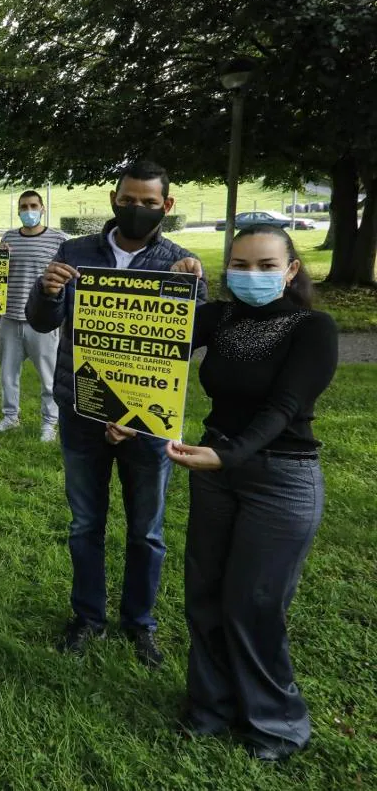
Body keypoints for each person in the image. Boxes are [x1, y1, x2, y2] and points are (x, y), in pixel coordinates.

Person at [167, 225, 336, 762]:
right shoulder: (219, 317)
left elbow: (284, 408)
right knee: (205, 595)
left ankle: (277, 725)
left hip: (281, 478)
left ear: (291, 270)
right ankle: (210, 707)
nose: (253, 275)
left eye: (267, 266)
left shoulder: (314, 328)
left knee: (255, 604)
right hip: (216, 471)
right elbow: (151, 347)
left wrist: (229, 455)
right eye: (241, 264)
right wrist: (128, 415)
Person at [27, 159, 206, 667]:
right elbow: (43, 324)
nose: (137, 209)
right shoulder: (74, 252)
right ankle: (87, 617)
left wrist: (192, 292)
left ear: (166, 207)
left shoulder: (181, 262)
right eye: (128, 199)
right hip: (83, 410)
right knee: (85, 523)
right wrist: (48, 290)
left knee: (146, 530)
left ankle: (140, 623)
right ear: (113, 199)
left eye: (149, 202)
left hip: (147, 421)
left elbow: (187, 345)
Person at [0, 191, 71, 442]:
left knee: (48, 378)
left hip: (42, 320)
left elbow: (69, 277)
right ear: (18, 210)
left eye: (33, 205)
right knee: (7, 374)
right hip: (9, 317)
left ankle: (49, 423)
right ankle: (10, 417)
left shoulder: (60, 239)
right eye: (24, 206)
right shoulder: (9, 237)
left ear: (43, 208)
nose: (29, 210)